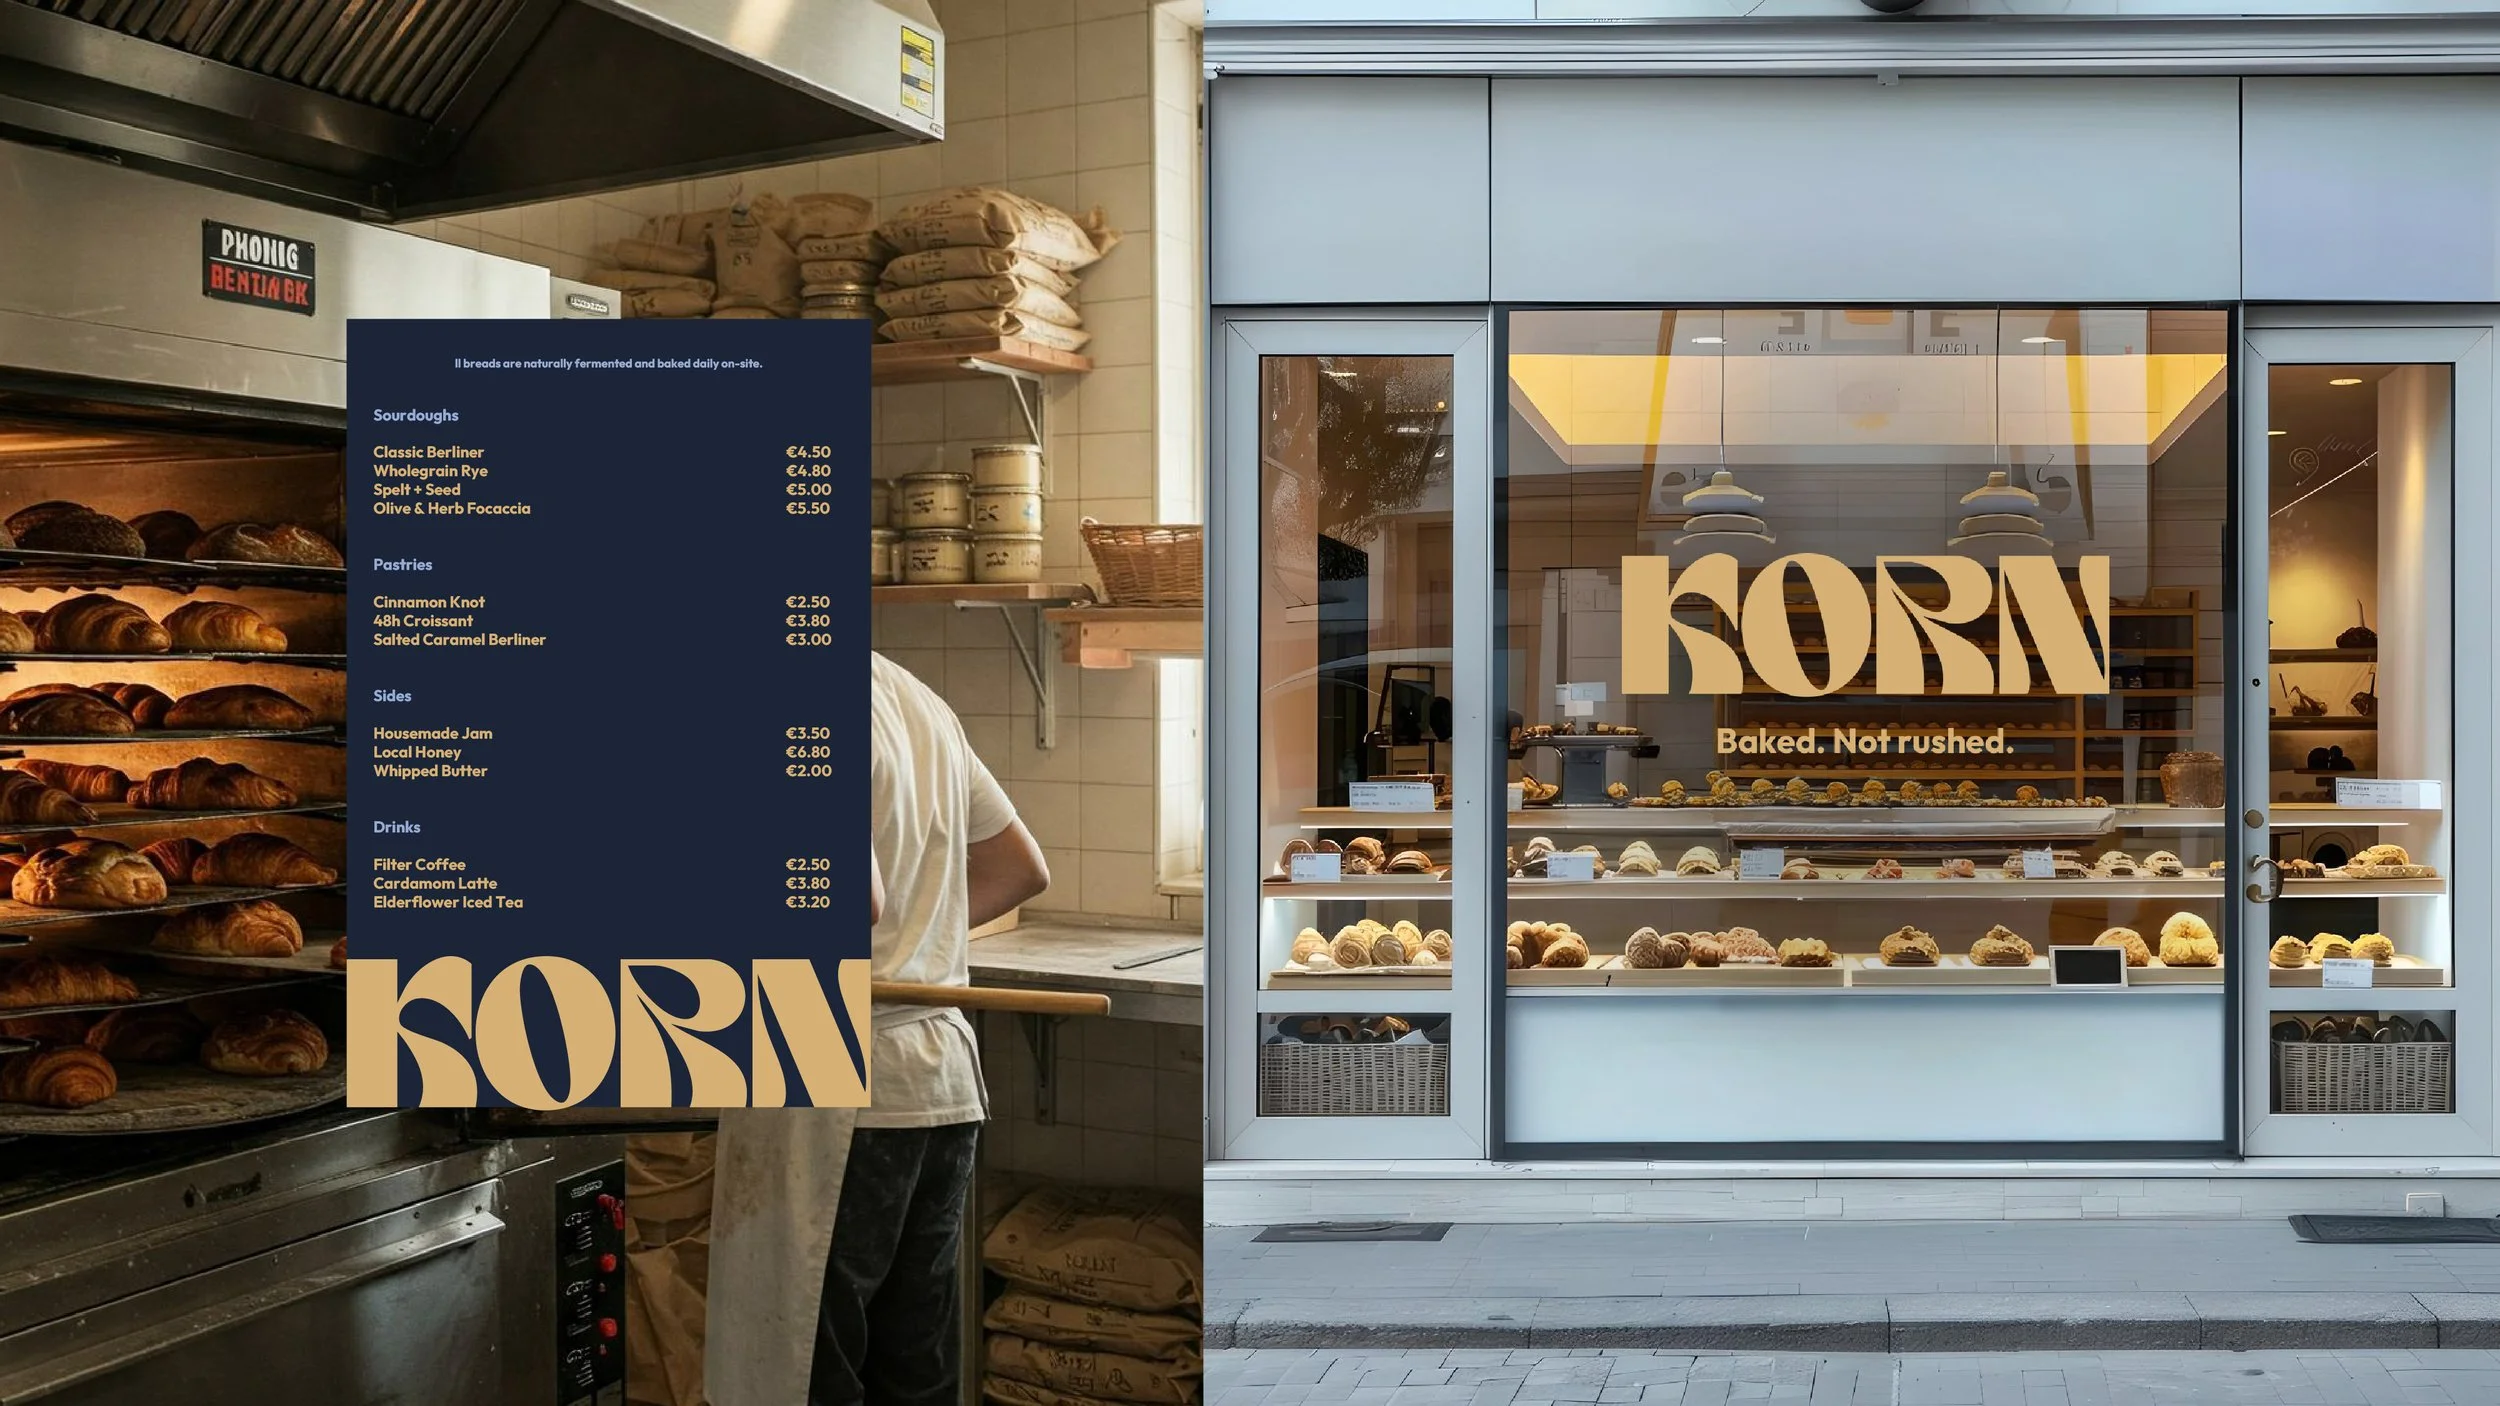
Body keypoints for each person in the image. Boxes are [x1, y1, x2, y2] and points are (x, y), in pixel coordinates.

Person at [708, 652, 1050, 1406]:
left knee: (806, 1374)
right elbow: (1018, 867)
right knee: (913, 1366)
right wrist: (917, 946)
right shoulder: (912, 695)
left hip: (835, 1085)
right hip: (936, 1077)